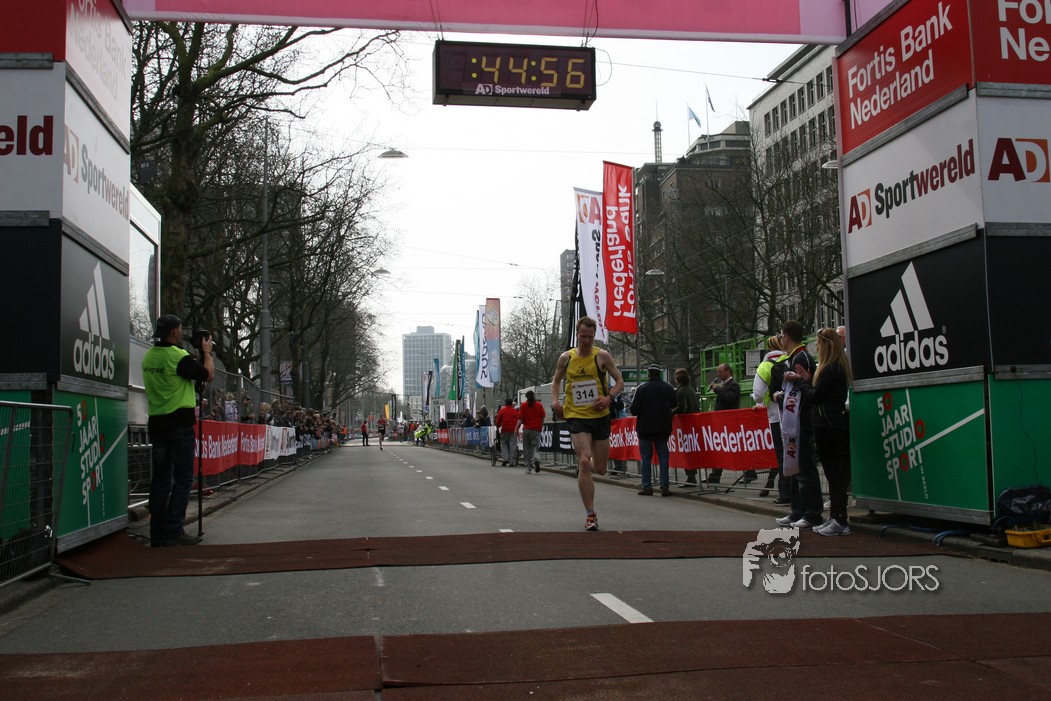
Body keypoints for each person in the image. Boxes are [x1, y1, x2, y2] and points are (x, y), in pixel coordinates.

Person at [143, 314, 213, 547]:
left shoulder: (149, 356)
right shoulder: (178, 356)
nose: (183, 333)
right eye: (181, 329)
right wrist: (207, 353)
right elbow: (208, 374)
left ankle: (157, 531)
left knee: (161, 478)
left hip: (157, 421)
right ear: (174, 332)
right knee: (184, 478)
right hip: (179, 424)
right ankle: (174, 528)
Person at [551, 316, 625, 531]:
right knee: (584, 461)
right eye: (583, 336)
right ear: (577, 335)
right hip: (576, 415)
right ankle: (590, 514)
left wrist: (609, 398)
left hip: (600, 416)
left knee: (600, 468)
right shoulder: (566, 358)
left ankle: (587, 470)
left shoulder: (602, 356)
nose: (586, 341)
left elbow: (619, 381)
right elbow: (556, 381)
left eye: (590, 337)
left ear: (594, 337)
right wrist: (555, 402)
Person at [794, 328, 853, 536]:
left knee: (834, 474)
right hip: (831, 422)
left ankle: (839, 519)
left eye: (819, 344)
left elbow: (815, 397)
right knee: (834, 474)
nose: (817, 348)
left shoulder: (830, 369)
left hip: (827, 424)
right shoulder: (837, 367)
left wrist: (800, 382)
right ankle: (837, 517)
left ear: (825, 345)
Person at [774, 320, 824, 529]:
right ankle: (798, 511)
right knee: (795, 466)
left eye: (781, 335)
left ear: (786, 336)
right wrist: (782, 396)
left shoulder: (801, 357)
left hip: (801, 420)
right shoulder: (797, 357)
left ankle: (812, 513)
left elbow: (804, 389)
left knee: (804, 466)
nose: (780, 339)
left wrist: (783, 397)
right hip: (795, 419)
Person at [630, 364, 677, 496]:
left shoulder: (642, 388)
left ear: (649, 374)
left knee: (646, 457)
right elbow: (674, 403)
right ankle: (664, 486)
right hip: (663, 427)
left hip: (645, 428)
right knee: (663, 456)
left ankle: (647, 486)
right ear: (659, 374)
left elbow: (634, 410)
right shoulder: (668, 387)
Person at [752, 335, 789, 502]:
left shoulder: (765, 366)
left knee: (781, 456)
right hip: (794, 413)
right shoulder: (790, 360)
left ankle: (785, 494)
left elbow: (758, 395)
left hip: (775, 416)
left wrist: (764, 400)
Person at [705, 362, 741, 485]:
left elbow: (729, 398)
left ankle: (750, 472)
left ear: (727, 371)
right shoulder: (724, 385)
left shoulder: (734, 385)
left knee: (730, 449)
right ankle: (715, 475)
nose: (718, 374)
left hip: (729, 421)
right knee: (721, 449)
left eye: (720, 371)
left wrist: (717, 389)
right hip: (722, 421)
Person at [672, 368, 701, 487]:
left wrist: (671, 412)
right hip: (693, 425)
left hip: (685, 425)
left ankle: (691, 477)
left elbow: (682, 408)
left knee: (687, 452)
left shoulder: (681, 391)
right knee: (691, 451)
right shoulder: (691, 390)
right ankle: (692, 476)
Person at [516, 390, 546, 474]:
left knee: (526, 448)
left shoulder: (523, 406)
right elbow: (543, 417)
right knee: (535, 447)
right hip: (536, 429)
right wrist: (540, 426)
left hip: (527, 429)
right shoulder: (539, 405)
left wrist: (516, 428)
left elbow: (520, 419)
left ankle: (528, 467)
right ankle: (536, 459)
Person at [494, 398, 519, 466]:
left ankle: (506, 458)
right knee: (513, 444)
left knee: (504, 443)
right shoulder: (514, 411)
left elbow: (498, 420)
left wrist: (497, 426)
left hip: (505, 429)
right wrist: (517, 428)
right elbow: (518, 420)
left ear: (505, 403)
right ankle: (512, 460)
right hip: (513, 429)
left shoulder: (502, 410)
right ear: (511, 404)